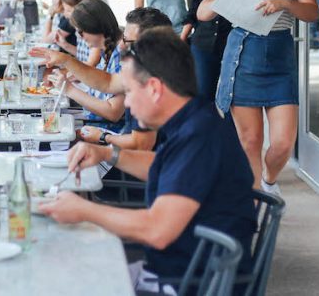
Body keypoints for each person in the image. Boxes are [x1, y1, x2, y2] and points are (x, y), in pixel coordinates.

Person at [40, 28, 256, 289]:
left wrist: (84, 210)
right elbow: (167, 168)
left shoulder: (199, 135)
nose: (127, 104)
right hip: (177, 269)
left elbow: (157, 230)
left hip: (190, 283)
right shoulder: (195, 118)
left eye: (129, 91)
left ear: (154, 88)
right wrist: (108, 154)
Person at [197, 0, 319, 193]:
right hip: (242, 55)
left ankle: (269, 180)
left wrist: (285, 3)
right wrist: (223, 3)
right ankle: (251, 211)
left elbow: (312, 12)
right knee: (250, 142)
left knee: (282, 144)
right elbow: (203, 11)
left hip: (279, 58)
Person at [72, 6, 173, 153]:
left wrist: (103, 137)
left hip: (141, 165)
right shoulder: (153, 71)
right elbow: (109, 83)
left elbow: (141, 145)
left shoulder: (152, 83)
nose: (121, 44)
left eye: (127, 40)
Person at [48, 0, 123, 129]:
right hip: (93, 124)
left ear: (95, 27)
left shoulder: (121, 56)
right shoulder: (106, 52)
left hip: (104, 131)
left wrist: (69, 89)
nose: (81, 37)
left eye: (81, 32)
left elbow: (113, 112)